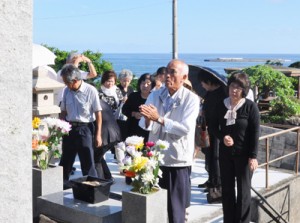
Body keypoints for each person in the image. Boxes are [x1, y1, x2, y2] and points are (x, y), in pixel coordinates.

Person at [139, 59, 199, 223]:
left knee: (176, 210)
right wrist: (147, 119)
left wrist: (158, 118)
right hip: (155, 159)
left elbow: (185, 128)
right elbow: (144, 124)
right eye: (167, 71)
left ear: (184, 76)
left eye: (173, 72)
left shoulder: (191, 99)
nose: (168, 75)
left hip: (176, 160)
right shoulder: (155, 94)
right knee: (154, 206)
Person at [211, 71, 260, 223]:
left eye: (239, 87)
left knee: (244, 191)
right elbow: (212, 126)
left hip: (244, 156)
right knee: (227, 190)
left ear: (244, 90)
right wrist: (222, 137)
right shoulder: (221, 105)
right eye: (232, 85)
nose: (234, 90)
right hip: (225, 154)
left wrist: (253, 156)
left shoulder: (250, 107)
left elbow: (255, 132)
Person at [59, 64, 102, 186]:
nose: (66, 85)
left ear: (75, 80)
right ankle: (61, 185)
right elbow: (63, 111)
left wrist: (98, 135)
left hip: (85, 128)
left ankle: (91, 187)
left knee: (87, 160)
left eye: (67, 82)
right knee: (66, 159)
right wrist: (60, 126)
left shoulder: (90, 90)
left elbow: (98, 113)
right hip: (69, 127)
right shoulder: (66, 91)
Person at [197, 70, 227, 200]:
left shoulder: (222, 94)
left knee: (216, 158)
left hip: (217, 131)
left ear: (209, 82)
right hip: (208, 129)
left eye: (203, 82)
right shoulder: (209, 93)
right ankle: (211, 180)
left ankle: (217, 185)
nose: (202, 85)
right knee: (209, 156)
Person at [122, 73, 155, 142]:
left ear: (152, 85)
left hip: (147, 130)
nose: (145, 86)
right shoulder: (133, 96)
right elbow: (124, 110)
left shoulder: (154, 98)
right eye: (143, 83)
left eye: (148, 84)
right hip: (132, 128)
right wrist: (134, 114)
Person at [94, 99, 121, 181]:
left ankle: (101, 182)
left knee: (95, 158)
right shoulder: (102, 102)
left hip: (106, 134)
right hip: (114, 133)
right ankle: (108, 177)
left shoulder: (95, 103)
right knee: (98, 156)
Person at [117, 69, 134, 141]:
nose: (126, 83)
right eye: (124, 81)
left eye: (128, 81)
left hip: (129, 113)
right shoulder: (117, 89)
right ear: (120, 80)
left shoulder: (130, 88)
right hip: (120, 115)